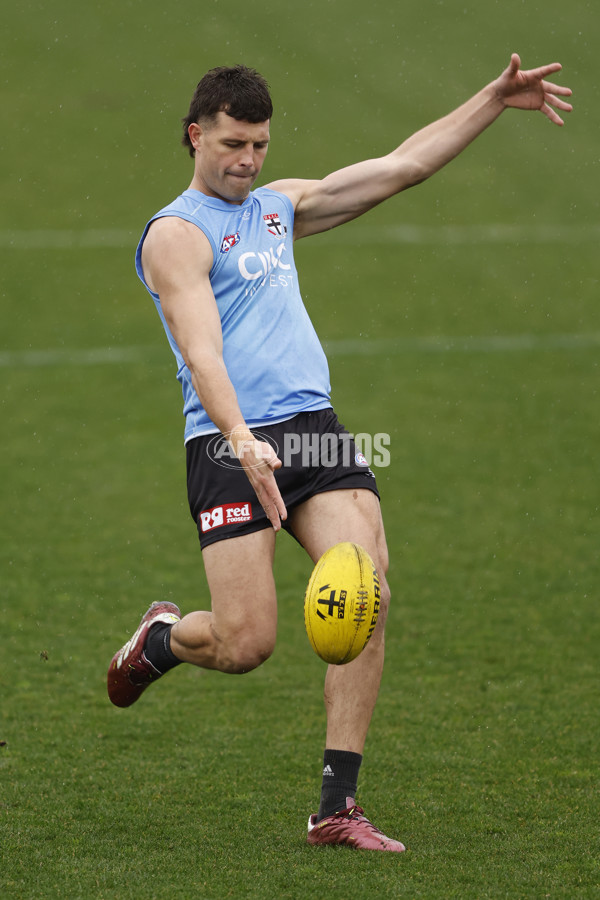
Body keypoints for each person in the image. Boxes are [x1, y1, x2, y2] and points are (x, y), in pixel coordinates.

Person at [107, 55, 572, 851]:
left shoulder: (281, 208)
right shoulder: (174, 236)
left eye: (258, 144)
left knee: (369, 592)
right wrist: (243, 439)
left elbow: (402, 167)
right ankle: (161, 639)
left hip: (314, 428)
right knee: (245, 643)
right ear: (195, 136)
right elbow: (202, 349)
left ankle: (336, 806)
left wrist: (492, 99)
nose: (248, 161)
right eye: (231, 144)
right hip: (228, 442)